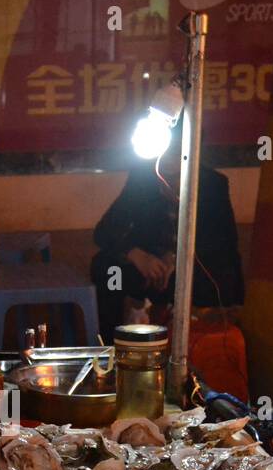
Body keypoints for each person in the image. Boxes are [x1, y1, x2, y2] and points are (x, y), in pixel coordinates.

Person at [89, 137, 245, 344]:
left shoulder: (212, 184)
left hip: (194, 271)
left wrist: (178, 259)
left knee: (215, 282)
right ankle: (111, 347)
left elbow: (225, 243)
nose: (170, 162)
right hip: (147, 269)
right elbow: (104, 231)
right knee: (107, 269)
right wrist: (136, 254)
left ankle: (185, 342)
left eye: (177, 153)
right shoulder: (144, 178)